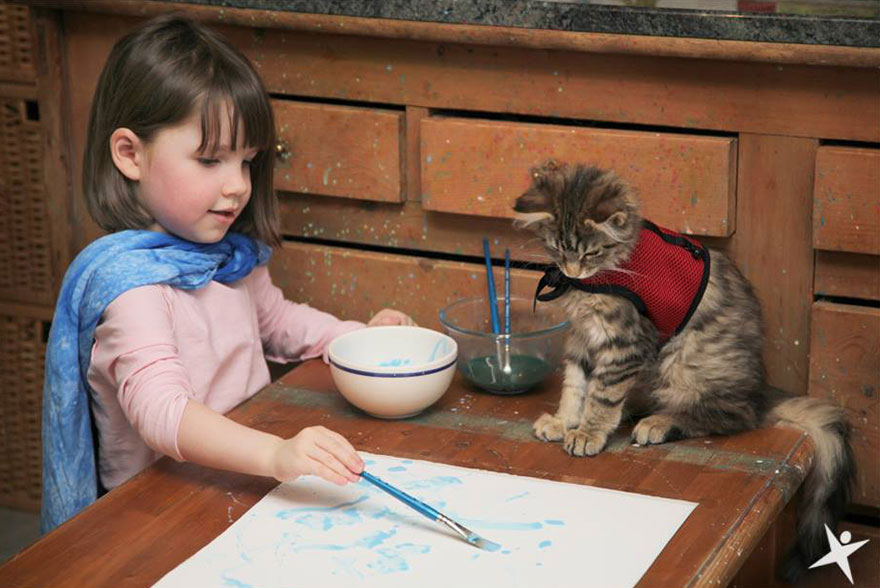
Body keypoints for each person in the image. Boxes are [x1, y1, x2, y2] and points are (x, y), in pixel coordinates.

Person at [41, 14, 414, 533]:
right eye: (211, 159)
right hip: (159, 515)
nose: (238, 185)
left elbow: (279, 322)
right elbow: (163, 413)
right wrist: (280, 454)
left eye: (247, 162)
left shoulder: (225, 260)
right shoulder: (133, 291)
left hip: (238, 488)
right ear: (130, 154)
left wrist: (357, 341)